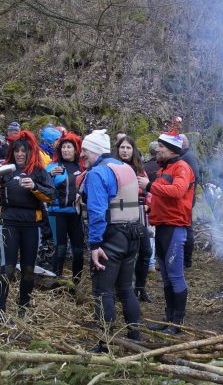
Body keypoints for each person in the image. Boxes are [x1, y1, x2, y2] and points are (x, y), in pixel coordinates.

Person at [80, 129, 143, 349]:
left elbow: (97, 212)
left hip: (112, 237)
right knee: (126, 288)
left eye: (85, 151)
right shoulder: (125, 167)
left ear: (95, 151)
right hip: (133, 234)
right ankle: (136, 336)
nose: (82, 155)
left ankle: (105, 342)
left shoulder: (98, 173)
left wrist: (95, 245)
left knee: (102, 290)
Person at [0, 131, 54, 317]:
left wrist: (35, 187)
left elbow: (51, 196)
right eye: (17, 151)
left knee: (29, 268)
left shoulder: (38, 171)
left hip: (32, 225)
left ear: (30, 152)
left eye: (24, 151)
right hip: (9, 224)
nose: (20, 154)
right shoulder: (6, 169)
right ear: (12, 152)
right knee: (8, 268)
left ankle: (23, 306)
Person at [139, 132, 195, 334]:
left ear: (171, 149)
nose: (157, 150)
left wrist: (150, 186)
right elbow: (162, 196)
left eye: (161, 147)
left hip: (175, 228)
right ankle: (169, 319)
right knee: (166, 277)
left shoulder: (182, 167)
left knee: (175, 275)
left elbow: (178, 191)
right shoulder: (164, 169)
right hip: (162, 226)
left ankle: (177, 324)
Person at [114, 136, 152, 302]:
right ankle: (122, 289)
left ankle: (140, 288)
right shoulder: (112, 167)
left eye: (128, 148)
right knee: (123, 253)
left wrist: (148, 203)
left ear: (133, 150)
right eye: (122, 147)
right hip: (120, 214)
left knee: (146, 252)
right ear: (117, 149)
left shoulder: (139, 169)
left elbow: (148, 189)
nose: (125, 151)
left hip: (139, 213)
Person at [46, 131, 86, 285]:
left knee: (78, 250)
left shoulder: (81, 167)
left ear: (75, 150)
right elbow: (40, 184)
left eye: (69, 147)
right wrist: (49, 174)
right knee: (60, 249)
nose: (65, 150)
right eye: (63, 147)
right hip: (57, 213)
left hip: (75, 213)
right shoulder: (52, 166)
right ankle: (56, 282)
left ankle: (76, 282)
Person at [179, 134, 200, 269]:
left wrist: (186, 193)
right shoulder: (186, 156)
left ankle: (186, 261)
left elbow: (195, 177)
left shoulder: (188, 157)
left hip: (186, 199)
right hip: (185, 199)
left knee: (187, 228)